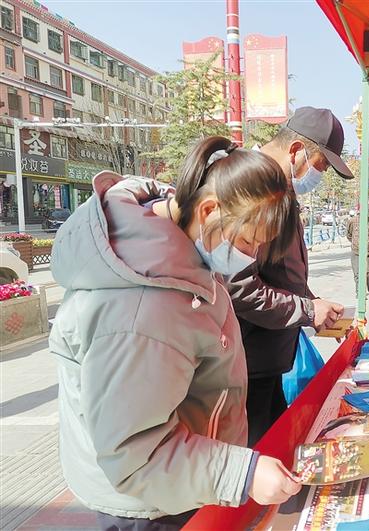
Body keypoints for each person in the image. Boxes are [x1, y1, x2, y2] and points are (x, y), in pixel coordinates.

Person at [49, 138, 303, 529]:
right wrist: (244, 474)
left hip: (177, 481)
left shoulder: (179, 243)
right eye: (248, 241)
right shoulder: (141, 308)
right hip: (148, 501)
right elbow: (136, 455)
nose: (250, 256)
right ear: (209, 210)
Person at [229, 107, 347, 447]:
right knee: (256, 457)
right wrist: (307, 311)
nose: (319, 175)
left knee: (278, 444)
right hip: (245, 364)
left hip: (267, 360)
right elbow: (239, 287)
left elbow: (280, 270)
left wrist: (314, 305)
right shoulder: (250, 187)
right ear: (296, 151)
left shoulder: (278, 189)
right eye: (320, 166)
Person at [347, 209, 369, 294]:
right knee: (357, 272)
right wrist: (355, 242)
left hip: (368, 250)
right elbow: (349, 234)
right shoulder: (352, 221)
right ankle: (359, 291)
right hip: (356, 250)